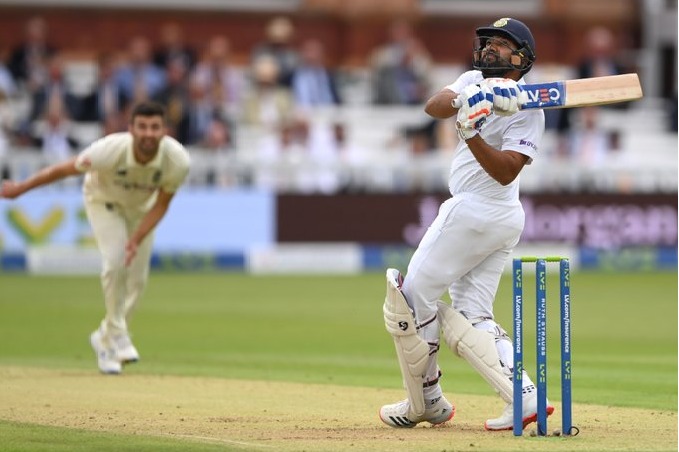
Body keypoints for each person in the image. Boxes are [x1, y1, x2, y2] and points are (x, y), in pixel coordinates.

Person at [379, 18, 549, 432]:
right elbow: (433, 105)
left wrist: (471, 133)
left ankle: (426, 402)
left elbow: (506, 172)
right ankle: (525, 396)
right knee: (474, 314)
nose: (489, 48)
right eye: (487, 41)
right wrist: (468, 98)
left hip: (478, 208)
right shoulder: (474, 79)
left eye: (501, 43)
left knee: (408, 301)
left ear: (521, 57)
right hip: (500, 219)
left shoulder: (530, 108)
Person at [0, 101, 190, 375]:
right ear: (131, 129)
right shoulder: (109, 150)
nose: (148, 133)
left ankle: (106, 340)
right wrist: (21, 188)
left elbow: (161, 204)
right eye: (143, 127)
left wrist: (136, 239)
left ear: (164, 131)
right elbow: (63, 170)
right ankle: (119, 334)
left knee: (137, 281)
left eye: (154, 127)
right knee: (115, 262)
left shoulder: (178, 160)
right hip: (103, 203)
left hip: (140, 212)